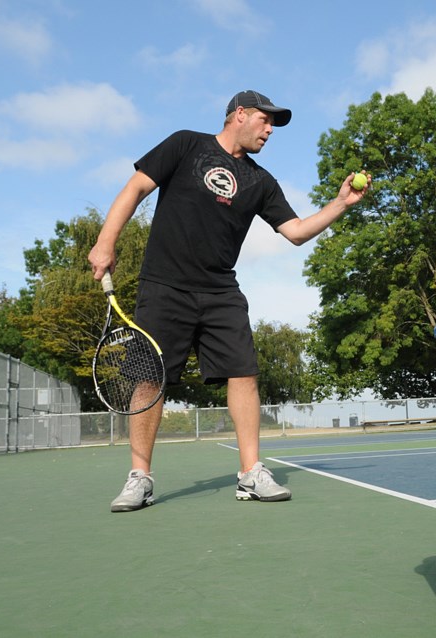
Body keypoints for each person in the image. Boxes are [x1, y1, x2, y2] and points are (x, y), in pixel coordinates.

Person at [87, 90, 369, 512]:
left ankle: (251, 473)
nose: (270, 130)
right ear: (240, 114)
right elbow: (136, 188)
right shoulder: (186, 144)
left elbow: (294, 232)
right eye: (265, 120)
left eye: (274, 124)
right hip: (164, 286)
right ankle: (140, 478)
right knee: (149, 379)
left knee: (244, 374)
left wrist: (341, 203)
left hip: (221, 292)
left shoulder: (261, 182)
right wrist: (105, 242)